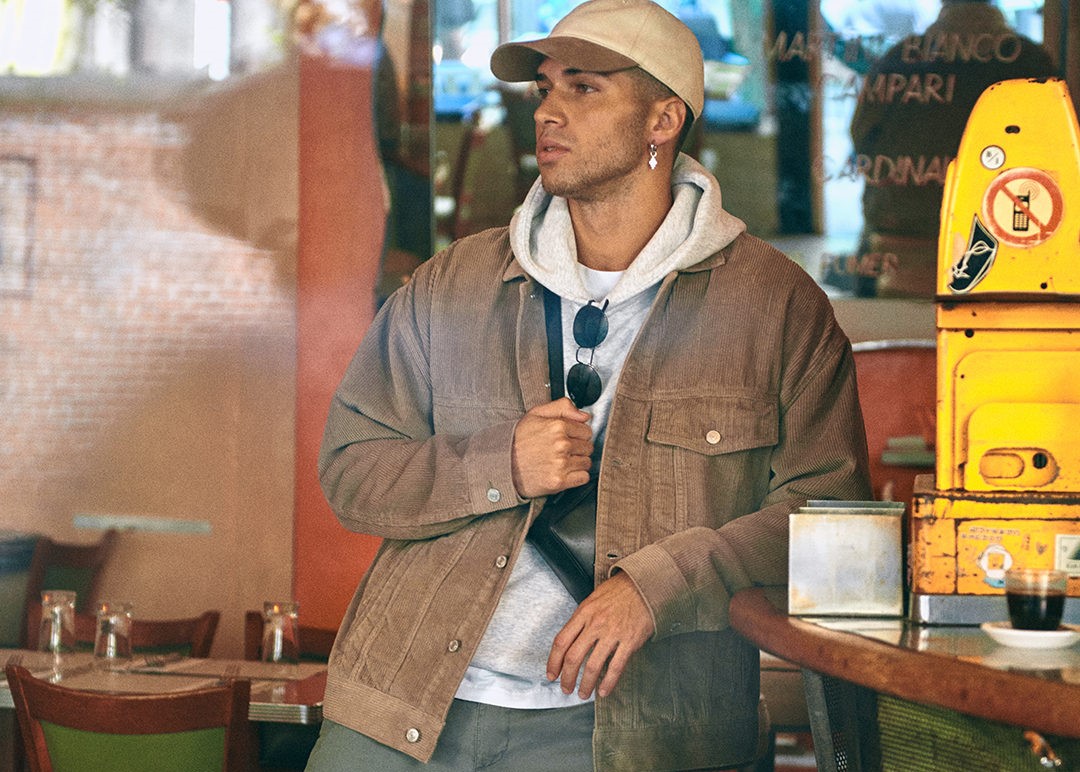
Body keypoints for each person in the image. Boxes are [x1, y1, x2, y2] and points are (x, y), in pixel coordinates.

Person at [309, 0, 870, 769]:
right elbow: (351, 470)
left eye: (584, 88)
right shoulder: (453, 284)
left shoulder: (774, 308)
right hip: (401, 706)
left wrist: (660, 586)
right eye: (545, 89)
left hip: (627, 730)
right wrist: (499, 464)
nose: (548, 111)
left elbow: (834, 523)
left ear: (662, 120)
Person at [848, 0, 1055, 297]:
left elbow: (864, 138)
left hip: (901, 234)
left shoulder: (901, 59)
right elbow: (1053, 156)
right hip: (1001, 234)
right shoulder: (1031, 64)